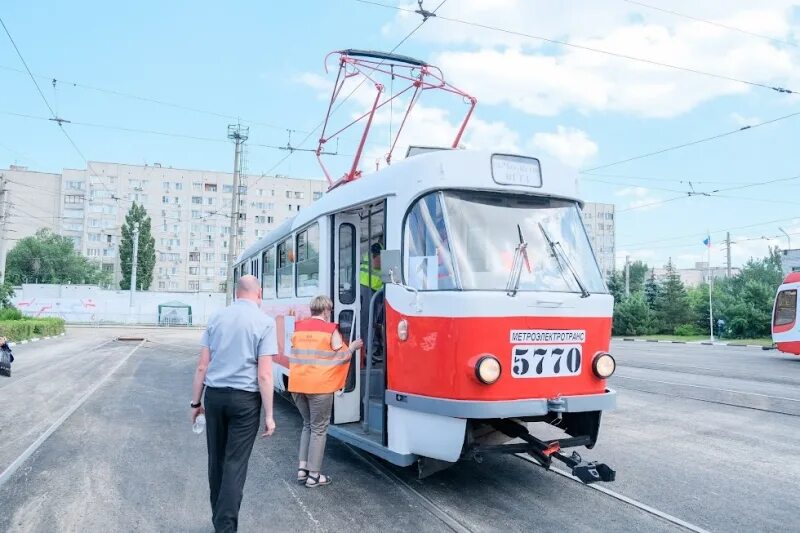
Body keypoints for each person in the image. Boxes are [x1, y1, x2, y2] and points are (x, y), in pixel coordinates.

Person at [190, 274, 278, 533]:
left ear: (236, 293)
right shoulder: (265, 322)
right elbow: (264, 374)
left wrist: (195, 403)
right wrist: (270, 414)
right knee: (235, 464)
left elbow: (202, 366)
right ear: (258, 293)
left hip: (215, 397)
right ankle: (225, 527)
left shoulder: (216, 318)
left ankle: (219, 521)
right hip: (245, 401)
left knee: (216, 461)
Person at [288, 295, 363, 488]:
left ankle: (302, 469)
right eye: (329, 310)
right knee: (319, 429)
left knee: (307, 425)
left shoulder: (298, 328)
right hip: (319, 388)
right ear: (326, 311)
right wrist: (353, 347)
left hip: (297, 385)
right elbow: (341, 357)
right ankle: (314, 476)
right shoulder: (330, 330)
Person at [359, 242, 384, 364]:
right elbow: (376, 263)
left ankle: (370, 349)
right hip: (369, 287)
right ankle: (369, 350)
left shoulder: (375, 247)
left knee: (371, 321)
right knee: (369, 321)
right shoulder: (378, 248)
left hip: (372, 287)